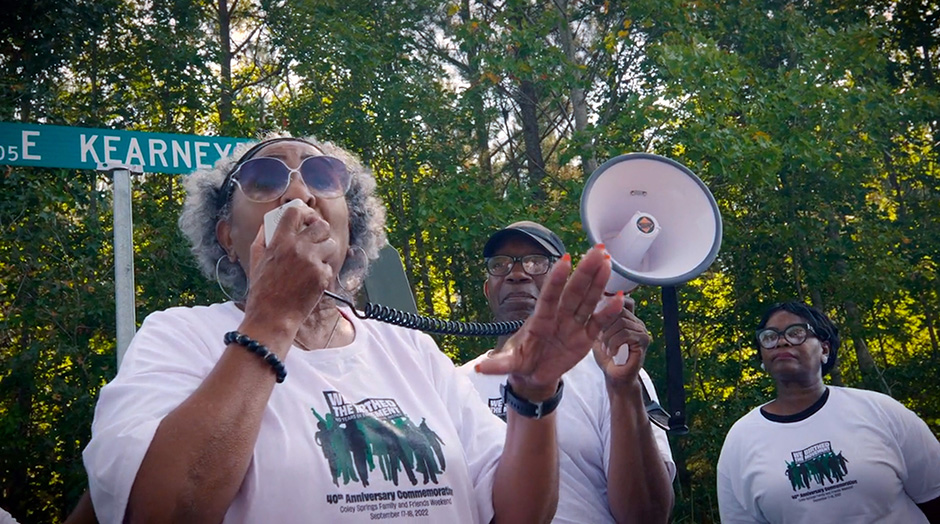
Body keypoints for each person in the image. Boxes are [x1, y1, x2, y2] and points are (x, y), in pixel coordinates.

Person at [82, 135, 625, 523]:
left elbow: (518, 513)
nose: (298, 195)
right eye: (265, 179)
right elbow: (158, 511)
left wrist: (534, 397)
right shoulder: (178, 337)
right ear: (227, 236)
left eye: (322, 177)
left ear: (352, 225)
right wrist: (272, 317)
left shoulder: (413, 350)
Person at [459, 221, 676, 523]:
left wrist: (623, 389)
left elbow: (648, 516)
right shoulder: (456, 384)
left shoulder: (610, 371)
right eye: (500, 264)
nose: (517, 273)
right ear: (487, 289)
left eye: (536, 262)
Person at [718, 301, 940, 523]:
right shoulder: (741, 439)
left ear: (824, 348)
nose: (782, 341)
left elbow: (934, 495)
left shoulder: (880, 411)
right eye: (769, 337)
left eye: (796, 333)